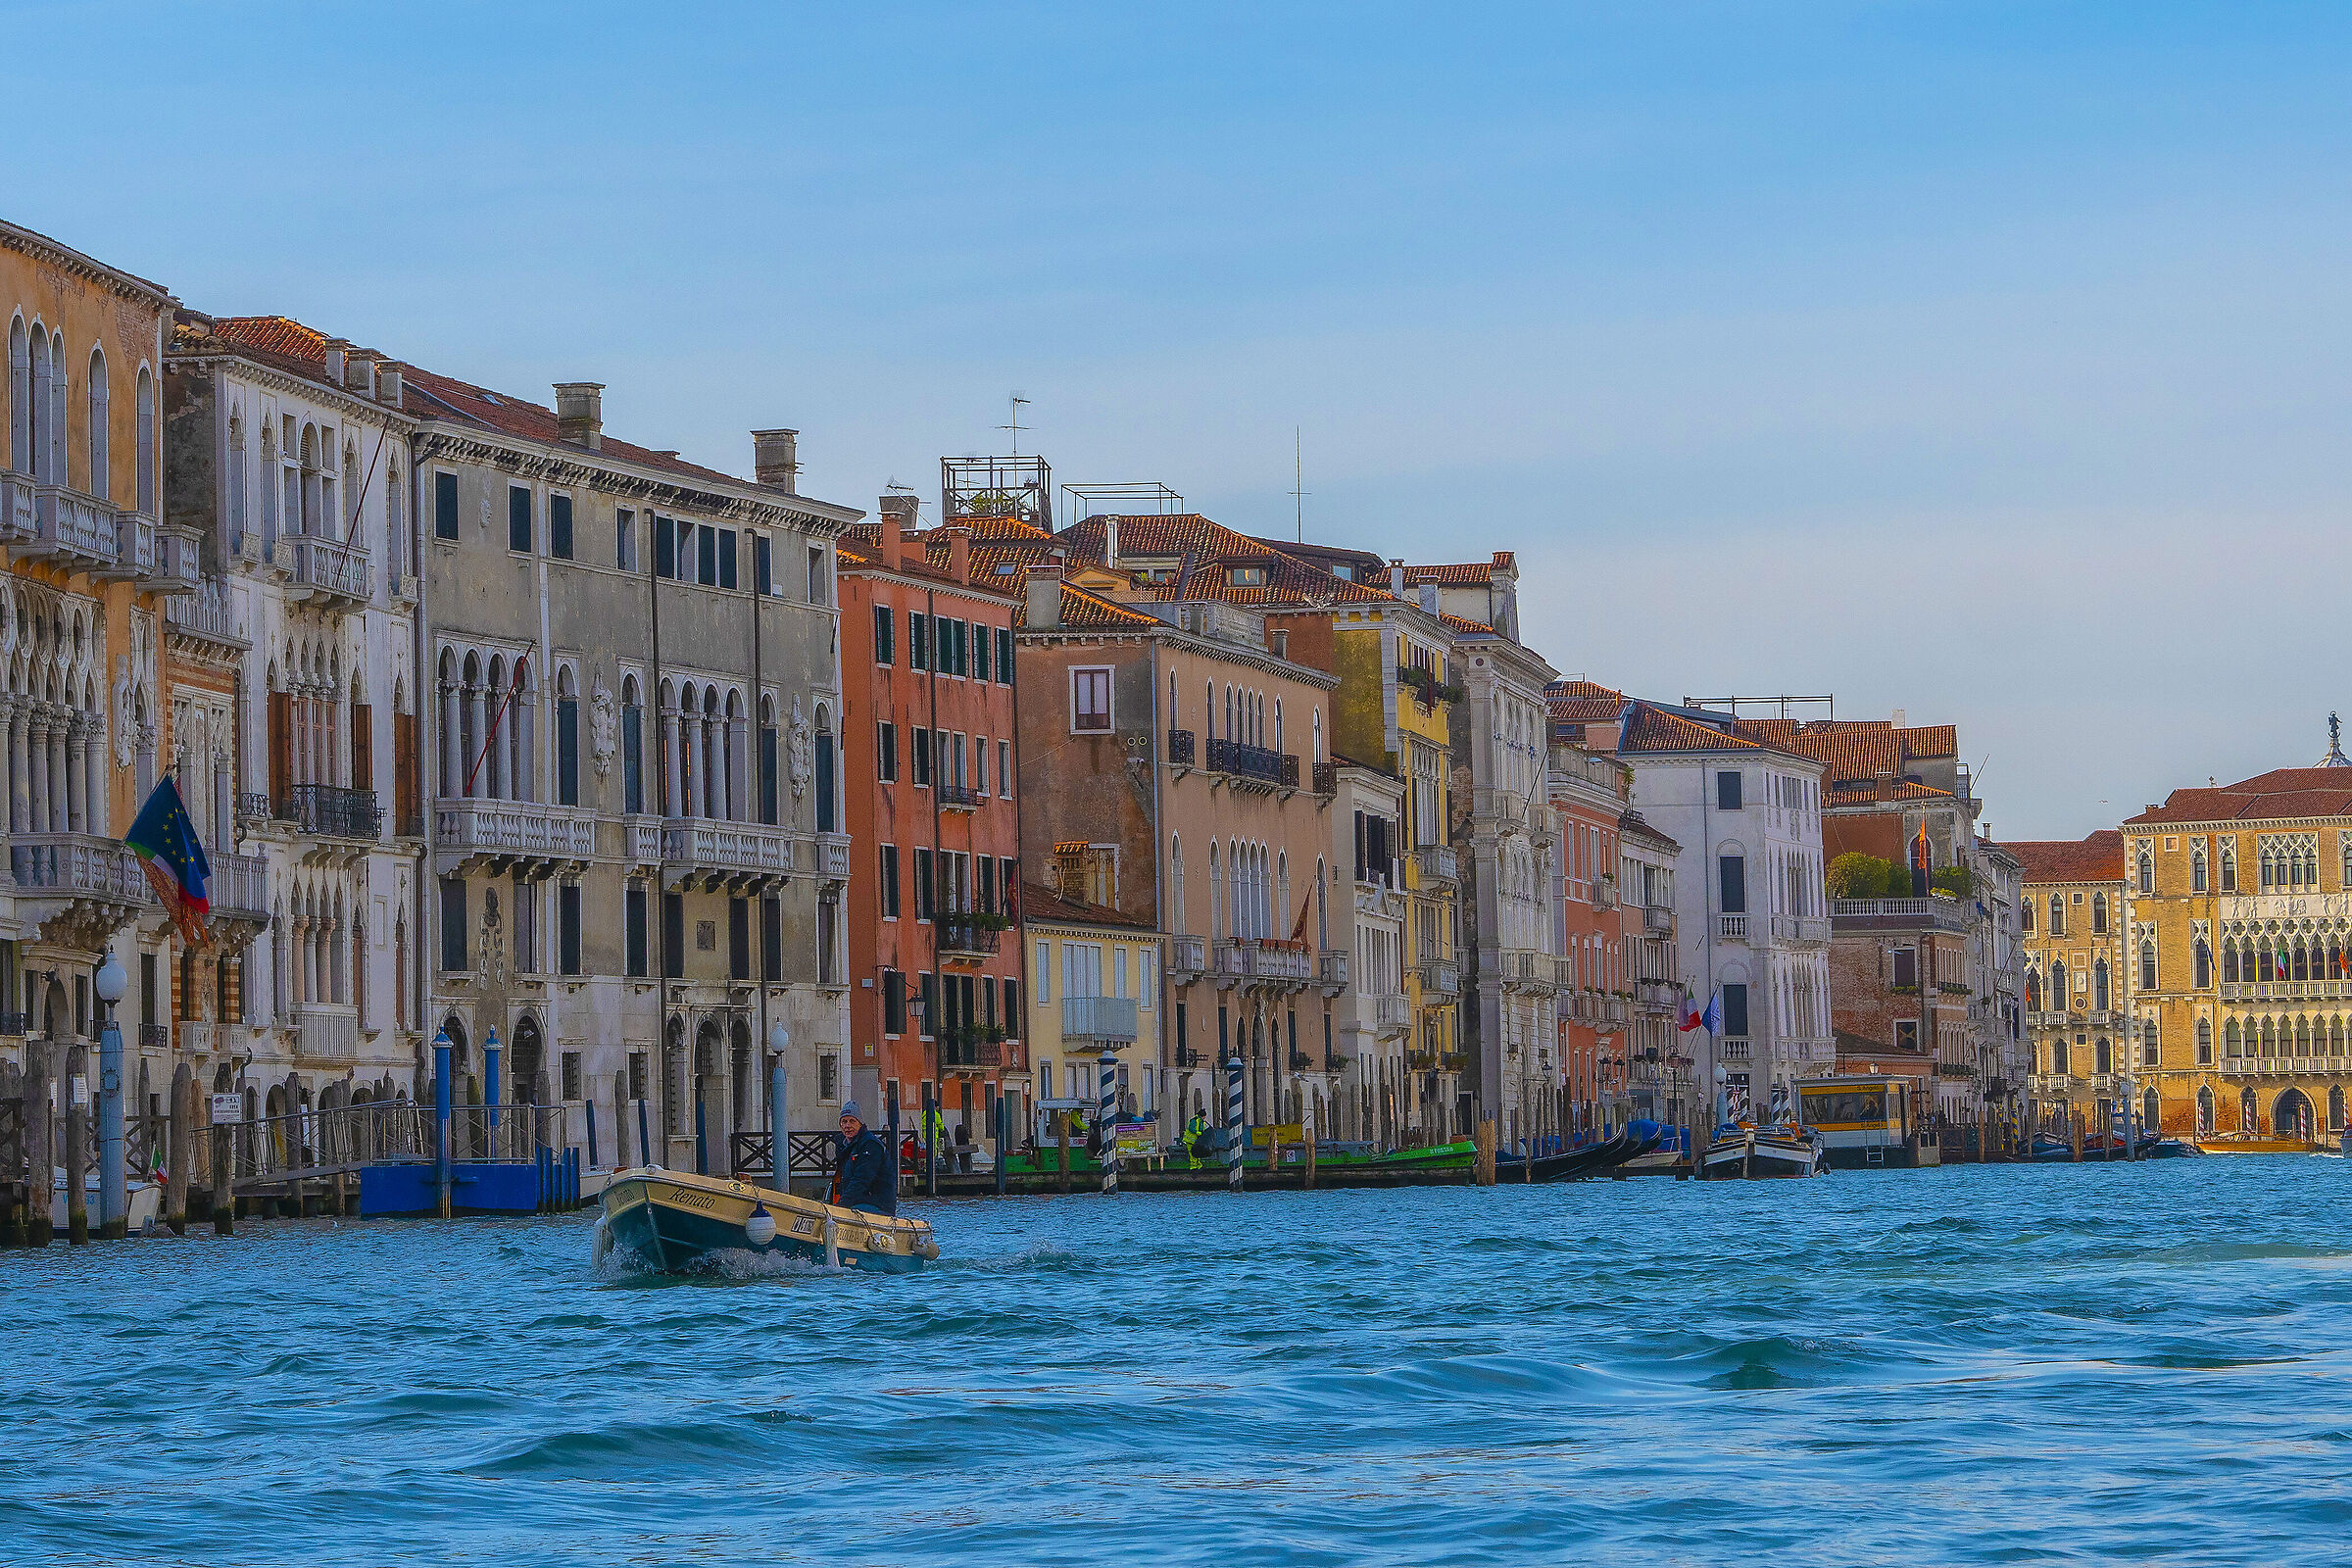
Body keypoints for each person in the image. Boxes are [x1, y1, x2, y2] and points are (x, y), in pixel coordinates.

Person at [831, 1102, 896, 1216]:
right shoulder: (843, 1144)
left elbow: (862, 1179)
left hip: (878, 1205)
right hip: (856, 1201)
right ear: (840, 1125)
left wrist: (841, 1206)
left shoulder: (870, 1145)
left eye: (852, 1121)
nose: (847, 1125)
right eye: (844, 1121)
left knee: (850, 1211)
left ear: (860, 1124)